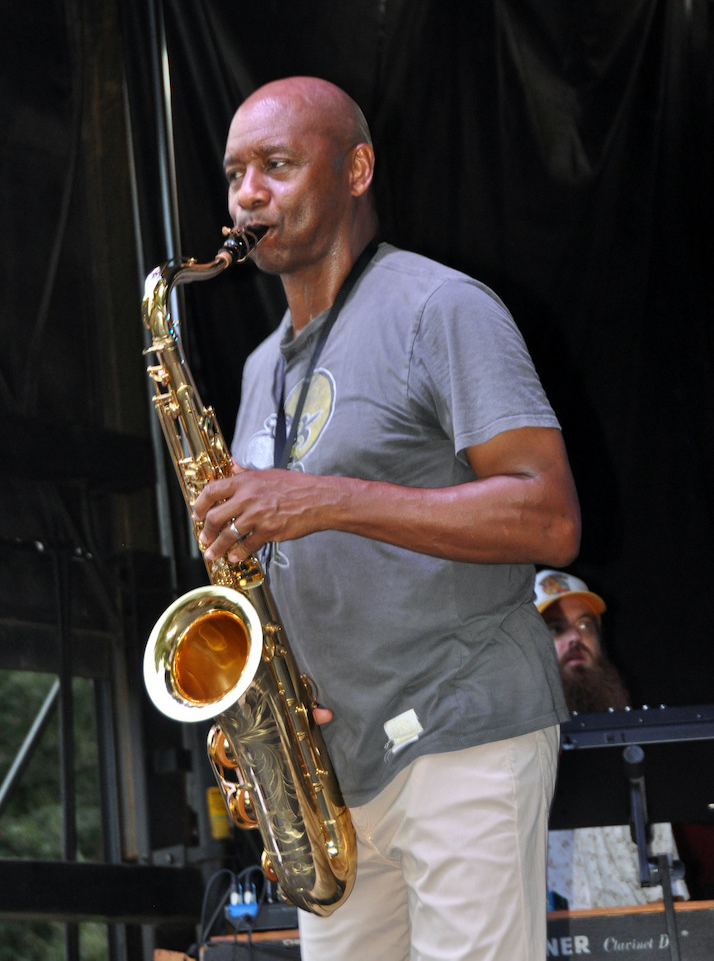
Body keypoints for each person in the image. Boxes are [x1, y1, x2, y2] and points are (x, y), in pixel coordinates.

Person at [192, 76, 581, 961]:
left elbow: (551, 516)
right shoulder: (259, 370)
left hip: (462, 729)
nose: (249, 193)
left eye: (277, 164)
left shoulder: (441, 307)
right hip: (332, 774)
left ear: (356, 169)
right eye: (235, 172)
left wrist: (322, 498)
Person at [535, 569, 689, 910]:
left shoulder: (634, 753)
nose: (576, 638)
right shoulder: (509, 754)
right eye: (556, 629)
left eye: (585, 625)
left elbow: (669, 893)